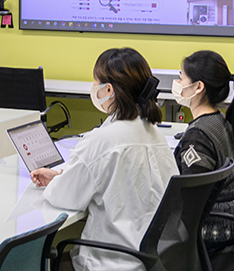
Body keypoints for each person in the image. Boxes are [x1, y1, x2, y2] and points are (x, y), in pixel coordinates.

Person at [29, 48, 178, 271]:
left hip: (116, 262)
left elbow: (64, 197)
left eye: (95, 81)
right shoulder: (154, 133)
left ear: (108, 89)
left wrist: (59, 182)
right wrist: (62, 175)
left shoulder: (103, 139)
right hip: (156, 259)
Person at [172, 50, 234, 270]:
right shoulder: (223, 123)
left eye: (181, 78)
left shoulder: (197, 136)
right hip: (229, 225)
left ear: (198, 87)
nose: (177, 83)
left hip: (209, 232)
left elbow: (191, 201)